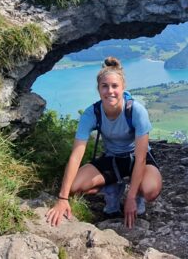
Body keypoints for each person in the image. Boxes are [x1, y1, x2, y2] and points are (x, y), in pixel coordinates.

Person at [45, 56, 163, 229]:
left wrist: (130, 198)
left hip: (136, 158)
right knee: (75, 187)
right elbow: (76, 155)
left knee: (150, 190)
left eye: (115, 86)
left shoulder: (136, 111)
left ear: (123, 88)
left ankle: (136, 195)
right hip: (112, 159)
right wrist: (63, 198)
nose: (110, 91)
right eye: (104, 86)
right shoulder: (91, 113)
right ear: (98, 89)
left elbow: (140, 158)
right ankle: (112, 189)